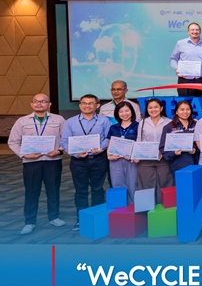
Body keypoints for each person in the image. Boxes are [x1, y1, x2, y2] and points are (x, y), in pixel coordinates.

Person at [8, 94, 66, 234]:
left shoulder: (59, 119)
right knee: (31, 191)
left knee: (53, 190)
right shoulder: (22, 121)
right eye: (36, 101)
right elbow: (13, 142)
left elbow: (66, 138)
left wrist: (59, 151)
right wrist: (23, 154)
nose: (39, 104)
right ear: (31, 104)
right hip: (31, 162)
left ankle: (54, 217)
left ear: (49, 104)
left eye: (43, 101)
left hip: (52, 161)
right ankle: (30, 221)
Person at [61, 94, 110, 231]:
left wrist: (101, 148)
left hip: (98, 159)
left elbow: (108, 137)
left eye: (90, 103)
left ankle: (97, 219)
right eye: (84, 103)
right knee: (80, 191)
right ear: (80, 105)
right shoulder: (70, 122)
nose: (86, 106)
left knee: (97, 190)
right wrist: (75, 153)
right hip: (78, 161)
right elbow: (64, 141)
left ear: (97, 105)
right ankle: (81, 220)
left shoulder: (104, 120)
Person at [134, 98, 172, 204]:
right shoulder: (142, 122)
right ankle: (147, 209)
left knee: (165, 184)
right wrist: (136, 155)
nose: (153, 109)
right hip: (146, 160)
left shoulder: (169, 122)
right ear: (147, 109)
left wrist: (164, 152)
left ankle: (164, 208)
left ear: (161, 108)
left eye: (156, 107)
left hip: (163, 159)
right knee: (146, 185)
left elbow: (170, 141)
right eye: (150, 107)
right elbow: (139, 140)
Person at [106, 101, 139, 203]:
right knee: (117, 184)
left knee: (133, 184)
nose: (124, 114)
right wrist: (109, 156)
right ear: (117, 113)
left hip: (132, 160)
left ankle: (134, 208)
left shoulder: (138, 126)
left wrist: (135, 155)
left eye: (127, 111)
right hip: (116, 160)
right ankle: (120, 209)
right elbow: (109, 143)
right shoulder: (113, 128)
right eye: (121, 111)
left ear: (132, 112)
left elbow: (140, 143)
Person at [169, 22, 202, 97]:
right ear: (188, 32)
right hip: (185, 80)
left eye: (197, 30)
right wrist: (176, 68)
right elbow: (173, 59)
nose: (195, 32)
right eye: (192, 30)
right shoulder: (180, 43)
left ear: (200, 31)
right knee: (184, 102)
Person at [159, 100, 197, 175]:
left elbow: (201, 142)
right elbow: (162, 147)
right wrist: (173, 153)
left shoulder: (196, 125)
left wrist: (195, 150)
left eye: (188, 109)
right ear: (176, 112)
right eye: (182, 109)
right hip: (178, 164)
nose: (185, 112)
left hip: (195, 162)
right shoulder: (169, 127)